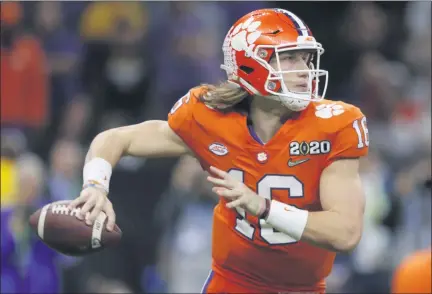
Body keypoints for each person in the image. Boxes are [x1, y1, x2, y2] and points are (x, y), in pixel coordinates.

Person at [68, 8, 369, 293]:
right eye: (289, 59)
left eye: (306, 59)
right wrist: (95, 186)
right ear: (251, 63)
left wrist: (263, 207)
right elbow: (117, 139)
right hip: (231, 284)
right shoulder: (210, 118)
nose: (304, 71)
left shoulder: (333, 125)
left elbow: (346, 233)